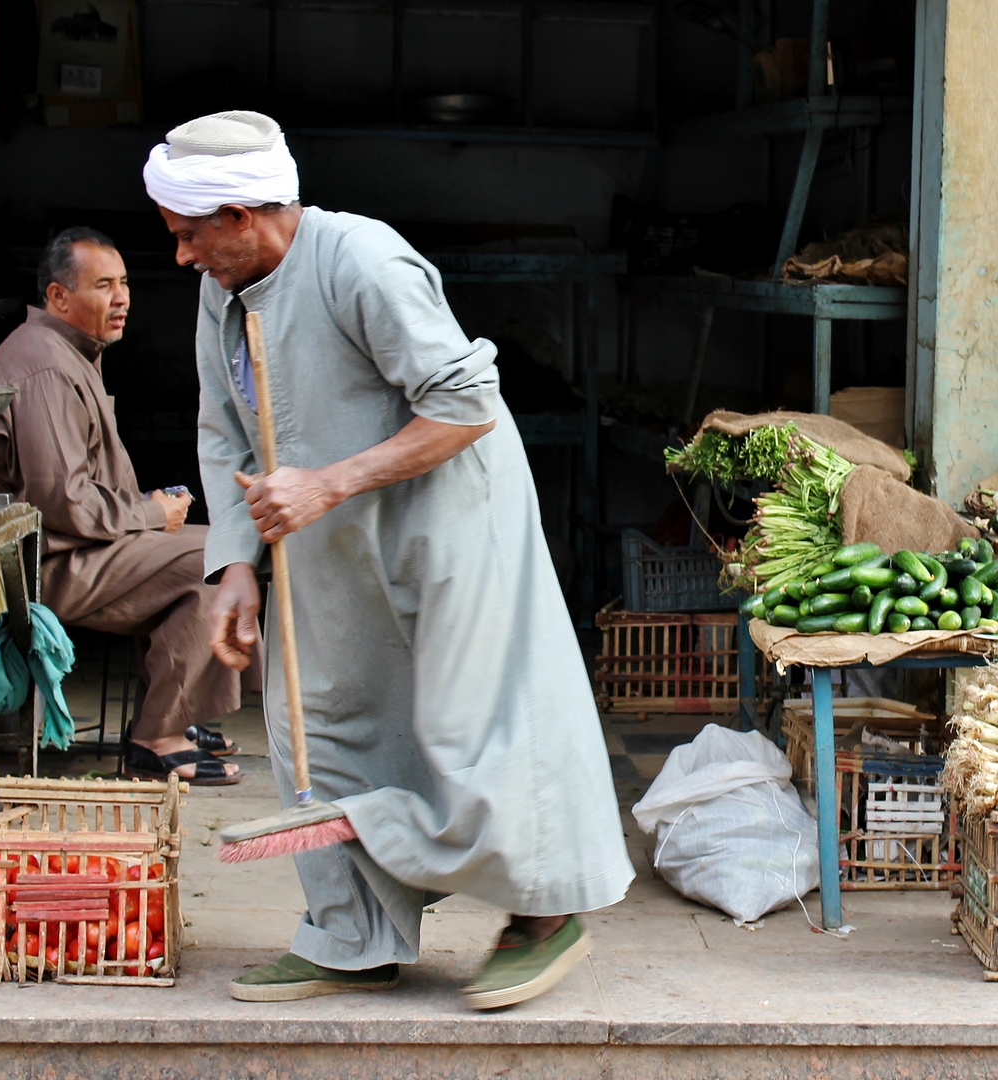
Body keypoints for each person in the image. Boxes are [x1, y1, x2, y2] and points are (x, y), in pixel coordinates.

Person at [142, 111, 633, 1008]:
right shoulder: (223, 292)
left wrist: (329, 484)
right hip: (321, 538)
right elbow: (225, 433)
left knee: (476, 730)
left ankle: (542, 917)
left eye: (187, 236)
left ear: (244, 214)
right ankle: (351, 935)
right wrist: (236, 568)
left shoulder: (361, 260)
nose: (179, 257)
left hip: (446, 525)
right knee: (319, 728)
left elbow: (466, 404)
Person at [0, 227, 244, 785]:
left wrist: (146, 512)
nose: (122, 299)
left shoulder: (68, 352)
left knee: (225, 546)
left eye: (125, 284)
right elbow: (59, 500)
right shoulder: (44, 366)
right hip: (42, 564)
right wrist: (150, 514)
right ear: (59, 298)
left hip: (76, 547)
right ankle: (155, 738)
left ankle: (175, 716)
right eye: (104, 285)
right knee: (210, 560)